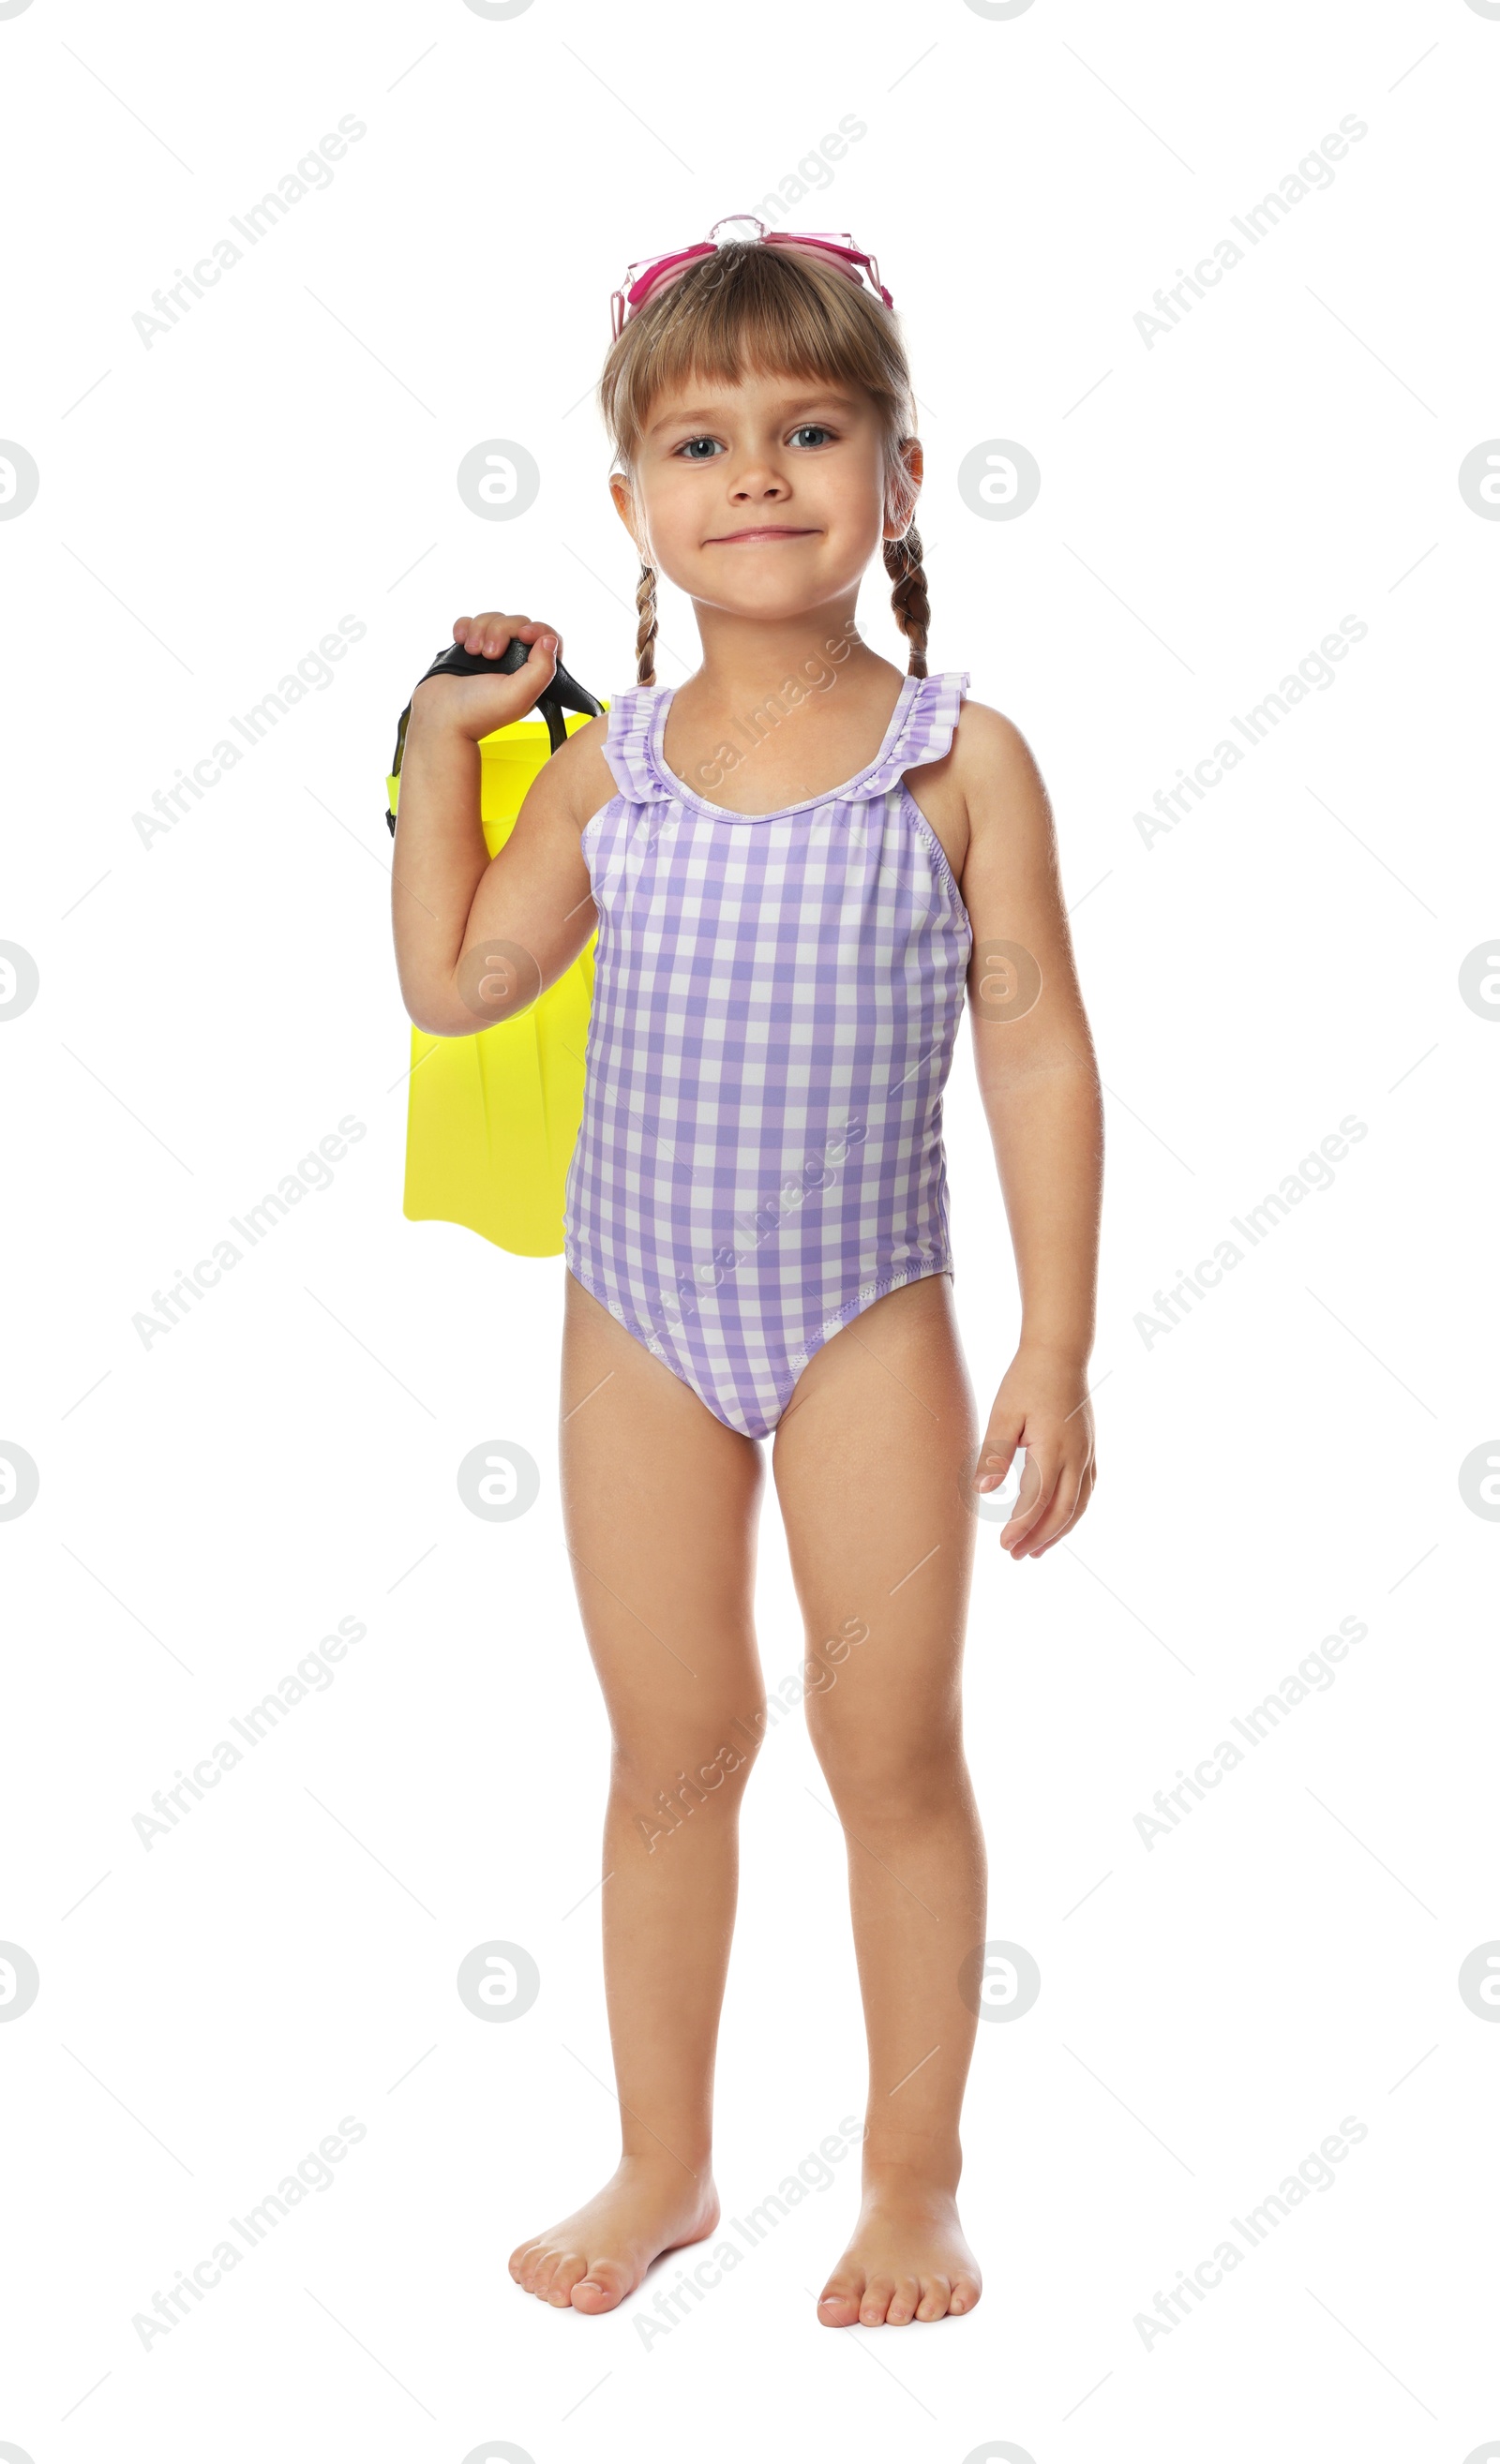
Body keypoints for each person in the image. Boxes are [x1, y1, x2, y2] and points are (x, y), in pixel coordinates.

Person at [389, 218, 1102, 2329]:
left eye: (809, 426)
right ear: (629, 507)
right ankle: (664, 2158)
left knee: (887, 1743)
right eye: (700, 440)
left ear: (896, 472)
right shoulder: (611, 773)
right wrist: (446, 751)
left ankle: (909, 2179)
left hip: (863, 1315)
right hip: (637, 1327)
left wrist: (1053, 1338)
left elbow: (1038, 1041)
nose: (759, 471)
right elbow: (459, 984)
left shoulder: (954, 761)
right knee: (673, 1744)